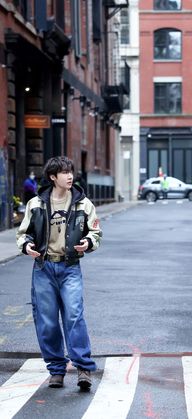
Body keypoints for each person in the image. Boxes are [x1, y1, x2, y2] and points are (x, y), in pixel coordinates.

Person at [16, 156, 102, 390]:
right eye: (64, 172)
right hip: (44, 268)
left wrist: (88, 243)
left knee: (74, 315)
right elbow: (23, 233)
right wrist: (26, 246)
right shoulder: (36, 204)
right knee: (47, 321)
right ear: (53, 177)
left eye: (70, 171)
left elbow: (95, 233)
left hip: (70, 267)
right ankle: (56, 369)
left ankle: (83, 368)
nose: (69, 176)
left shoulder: (84, 204)